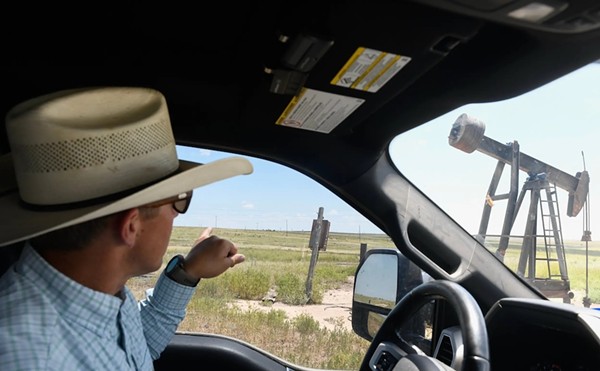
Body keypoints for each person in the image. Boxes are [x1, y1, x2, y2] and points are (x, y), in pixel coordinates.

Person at [0, 86, 254, 370]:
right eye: (178, 201)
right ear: (131, 225)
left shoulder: (99, 290)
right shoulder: (27, 357)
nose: (177, 215)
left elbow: (136, 351)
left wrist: (187, 273)